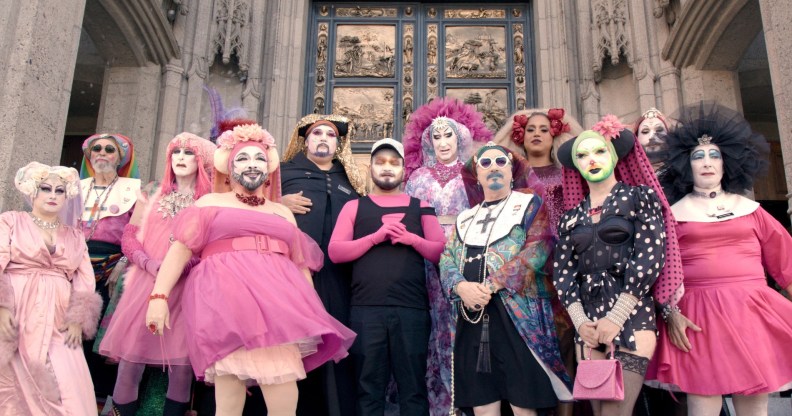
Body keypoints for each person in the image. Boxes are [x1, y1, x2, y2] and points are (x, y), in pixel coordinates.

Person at [145, 123, 355, 416]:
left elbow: (300, 264)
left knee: (284, 399)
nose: (252, 164)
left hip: (277, 308)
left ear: (269, 168)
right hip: (226, 305)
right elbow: (179, 252)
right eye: (243, 158)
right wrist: (158, 297)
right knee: (229, 401)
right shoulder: (209, 203)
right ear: (229, 168)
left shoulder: (282, 211)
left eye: (259, 158)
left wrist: (312, 311)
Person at [649, 103, 792, 416]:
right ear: (686, 164)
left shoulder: (752, 210)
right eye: (698, 156)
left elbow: (786, 263)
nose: (706, 162)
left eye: (714, 155)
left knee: (754, 403)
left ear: (727, 162)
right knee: (703, 402)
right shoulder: (672, 214)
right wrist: (670, 313)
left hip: (752, 311)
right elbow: (660, 270)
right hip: (697, 314)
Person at [554, 116, 682, 416]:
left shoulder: (640, 198)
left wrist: (616, 316)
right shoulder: (571, 217)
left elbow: (650, 257)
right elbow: (563, 273)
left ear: (613, 156)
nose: (591, 159)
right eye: (583, 155)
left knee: (617, 412)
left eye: (599, 151)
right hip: (587, 321)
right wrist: (580, 321)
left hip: (631, 314)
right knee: (599, 413)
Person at [439, 141, 572, 416]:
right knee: (482, 403)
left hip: (517, 315)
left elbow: (539, 247)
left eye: (501, 162)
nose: (494, 167)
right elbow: (447, 258)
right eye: (485, 163)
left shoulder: (529, 205)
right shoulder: (465, 217)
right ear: (476, 174)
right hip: (471, 315)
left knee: (523, 403)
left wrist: (491, 284)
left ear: (513, 171)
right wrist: (461, 287)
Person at [98, 133, 217, 415]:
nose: (180, 158)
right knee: (131, 360)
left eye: (189, 153)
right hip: (145, 282)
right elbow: (129, 235)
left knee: (181, 366)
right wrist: (149, 264)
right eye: (176, 152)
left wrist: (180, 268)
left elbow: (210, 244)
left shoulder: (210, 199)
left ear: (201, 161)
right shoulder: (151, 191)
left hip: (187, 287)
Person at [328, 138, 446, 416]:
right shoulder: (354, 207)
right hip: (366, 310)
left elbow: (440, 251)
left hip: (411, 310)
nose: (387, 168)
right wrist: (375, 237)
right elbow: (335, 252)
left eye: (394, 163)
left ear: (404, 169)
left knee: (413, 388)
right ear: (369, 168)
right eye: (380, 162)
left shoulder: (421, 206)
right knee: (368, 388)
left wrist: (412, 239)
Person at [402, 97, 491, 416]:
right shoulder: (417, 178)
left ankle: (467, 401)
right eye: (436, 136)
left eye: (448, 135)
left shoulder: (474, 173)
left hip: (465, 253)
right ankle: (436, 404)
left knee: (463, 322)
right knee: (431, 323)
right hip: (424, 258)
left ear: (461, 138)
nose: (442, 142)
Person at [280, 114, 366, 416]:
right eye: (317, 133)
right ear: (305, 141)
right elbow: (253, 205)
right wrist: (279, 203)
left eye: (330, 135)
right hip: (293, 273)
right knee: (295, 342)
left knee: (338, 343)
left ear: (338, 144)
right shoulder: (283, 172)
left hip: (340, 276)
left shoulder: (350, 178)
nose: (323, 139)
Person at [0, 162, 102, 414]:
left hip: (59, 317)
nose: (53, 195)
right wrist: (2, 306)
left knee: (68, 383)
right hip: (17, 311)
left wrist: (78, 319)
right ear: (33, 191)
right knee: (11, 380)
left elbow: (85, 279)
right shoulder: (11, 221)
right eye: (46, 188)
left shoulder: (75, 235)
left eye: (60, 191)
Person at [79, 133, 141, 398]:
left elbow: (139, 232)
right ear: (89, 155)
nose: (102, 153)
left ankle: (98, 394)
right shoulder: (74, 188)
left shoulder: (133, 190)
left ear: (120, 158)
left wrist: (123, 263)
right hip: (75, 262)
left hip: (114, 265)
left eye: (109, 149)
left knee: (102, 332)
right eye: (97, 148)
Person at [493, 108, 582, 234]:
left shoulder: (568, 174)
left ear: (554, 136)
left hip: (562, 241)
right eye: (530, 130)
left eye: (544, 130)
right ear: (521, 136)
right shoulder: (510, 177)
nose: (536, 134)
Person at [633, 107, 670, 176]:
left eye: (659, 130)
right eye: (645, 131)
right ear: (636, 138)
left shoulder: (683, 167)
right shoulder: (630, 173)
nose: (652, 136)